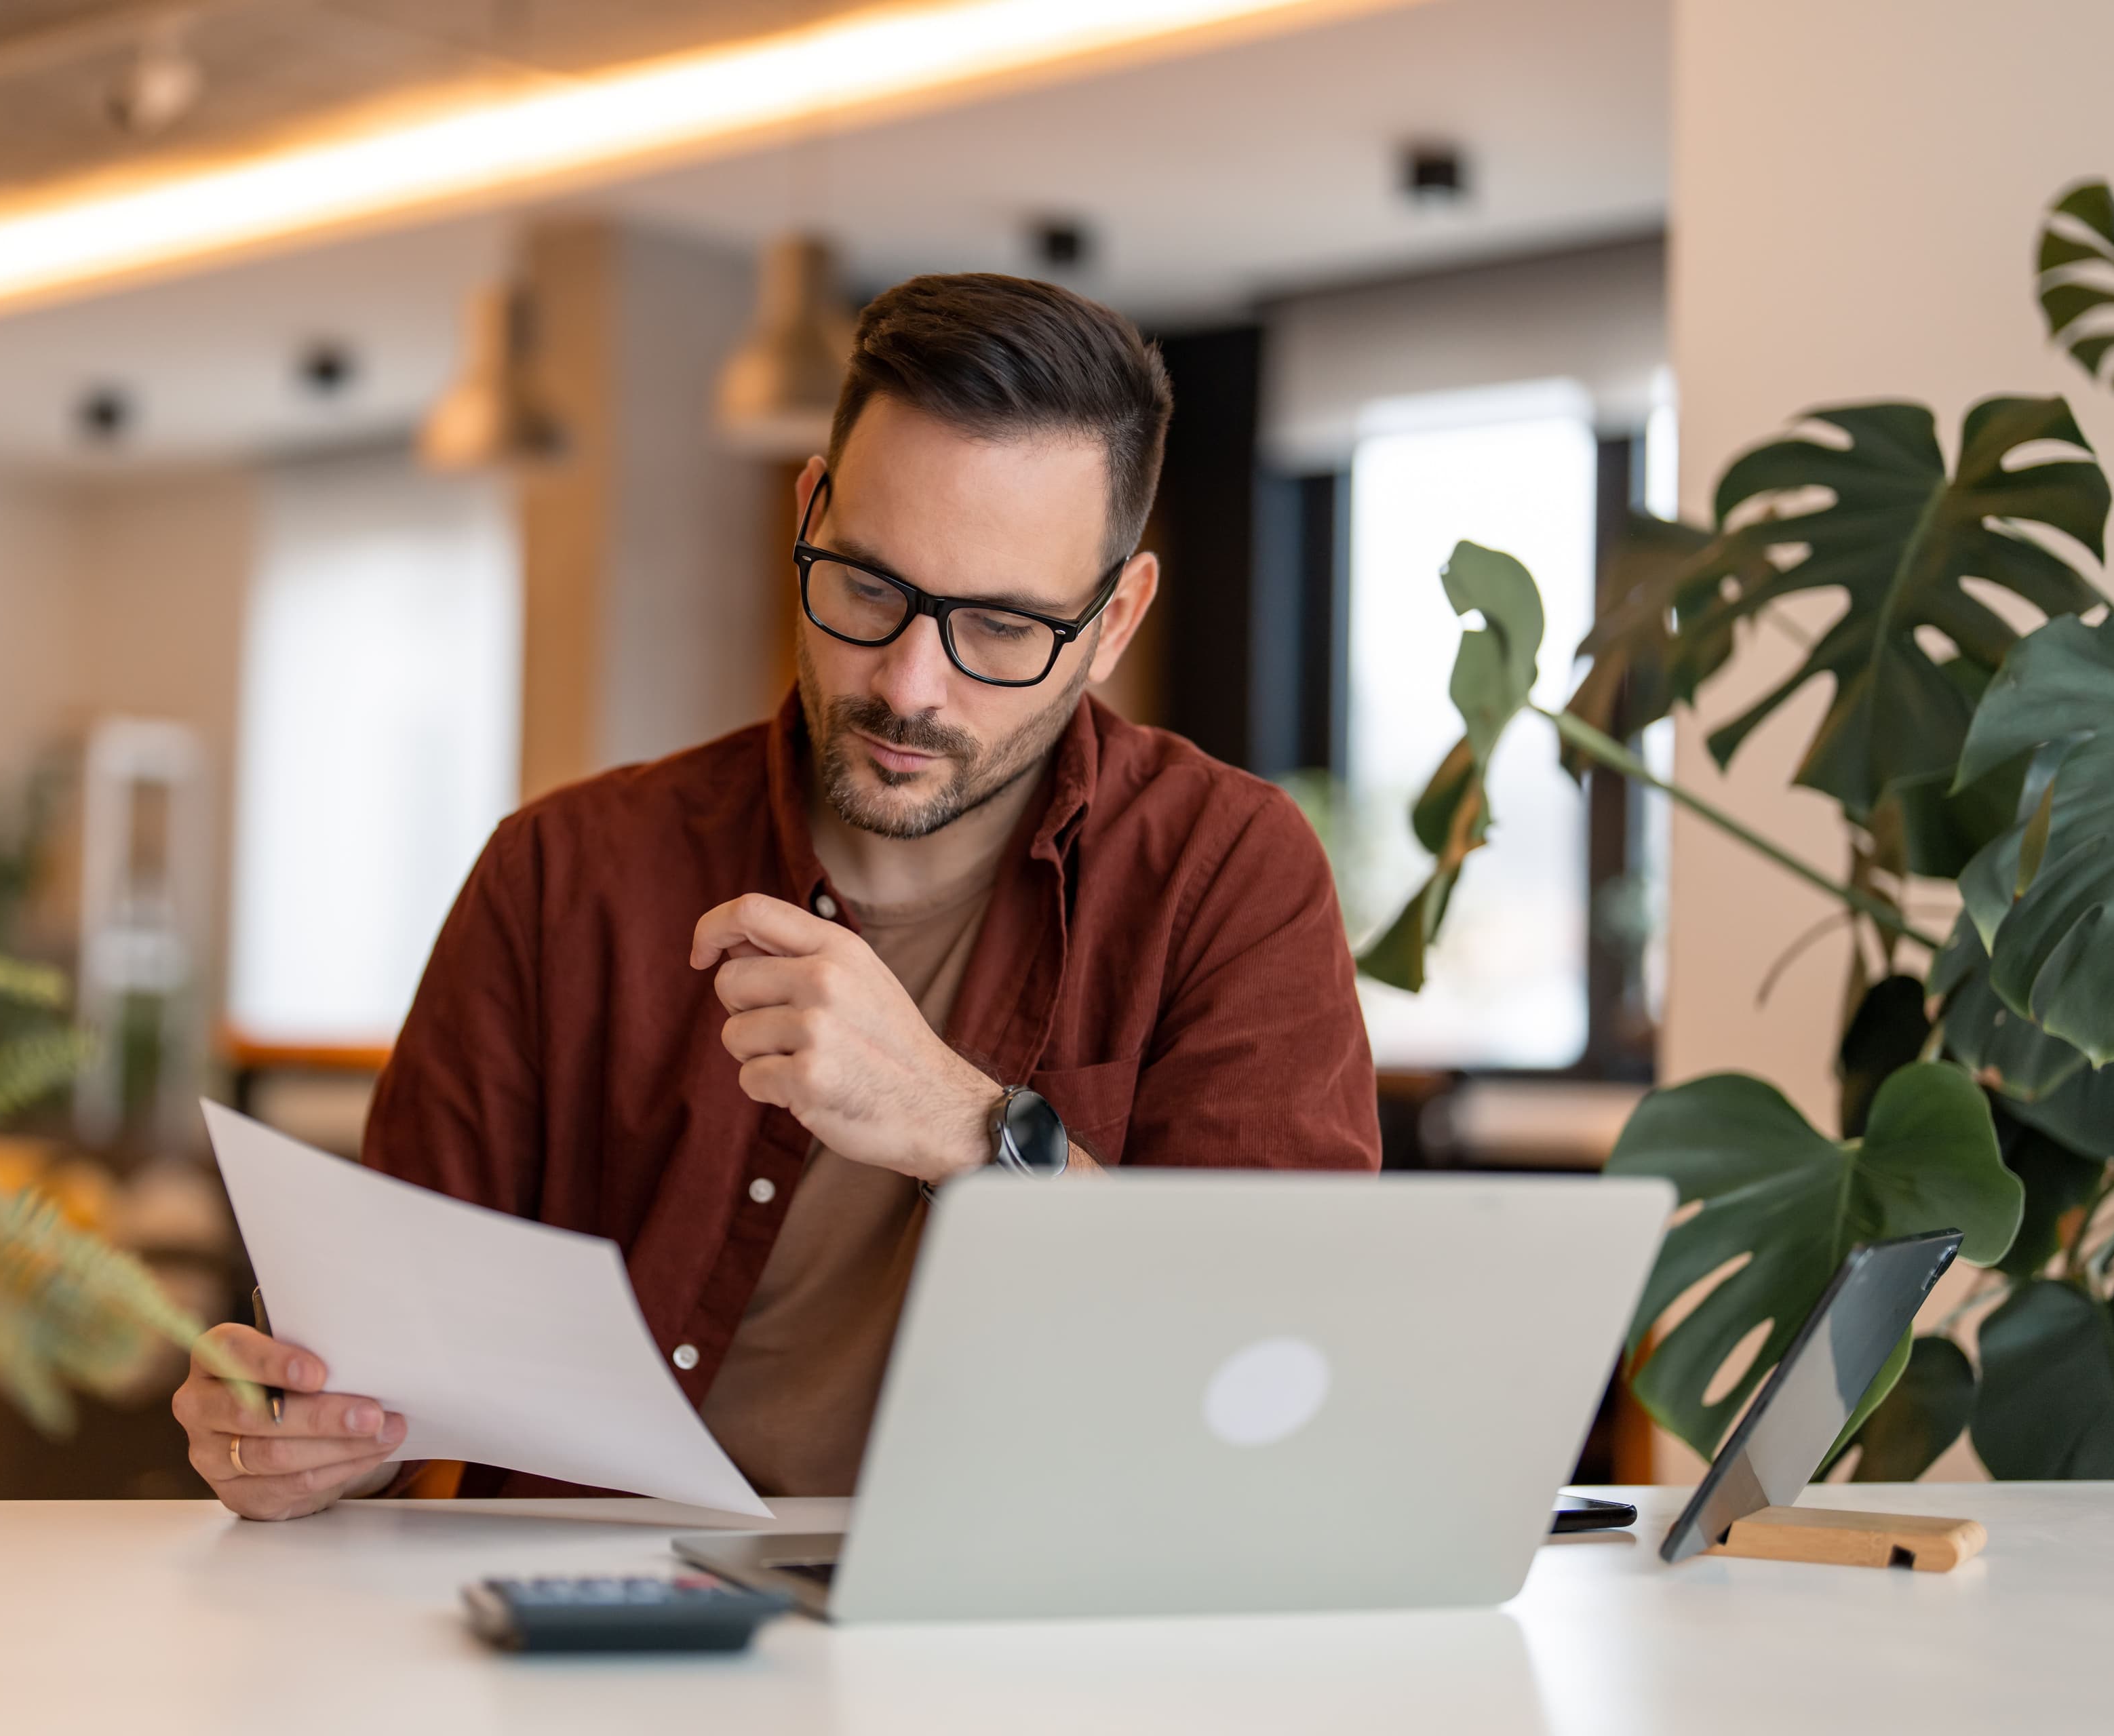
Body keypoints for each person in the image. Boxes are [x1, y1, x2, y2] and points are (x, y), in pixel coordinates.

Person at [174, 273, 1382, 1520]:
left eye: (1004, 628)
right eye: (867, 588)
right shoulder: (561, 876)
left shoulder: (1228, 873)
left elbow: (1278, 1365)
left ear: (1115, 618)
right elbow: (386, 1361)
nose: (911, 685)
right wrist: (313, 1437)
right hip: (595, 1641)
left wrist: (969, 1132)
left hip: (1018, 1630)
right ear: (810, 511)